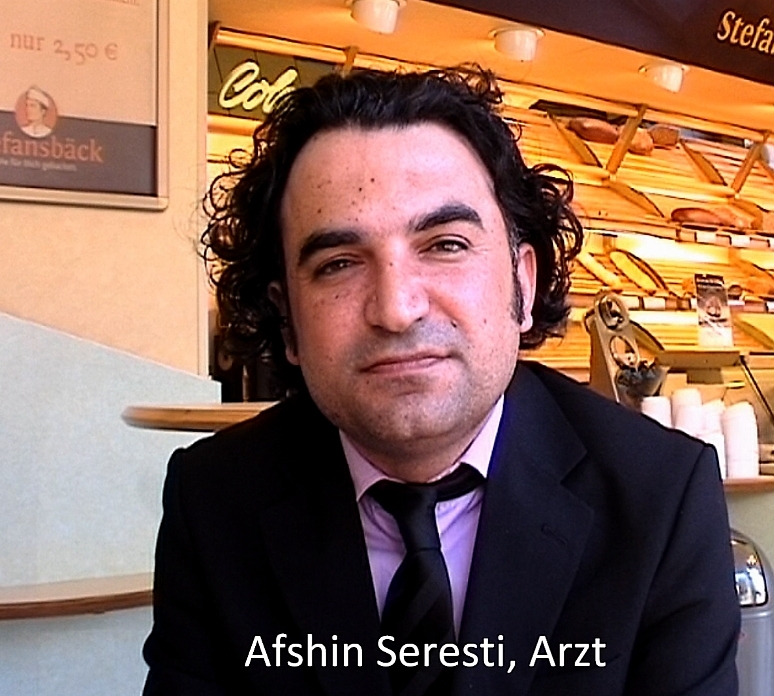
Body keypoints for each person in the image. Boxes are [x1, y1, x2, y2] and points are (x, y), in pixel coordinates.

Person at [143, 66, 739, 695]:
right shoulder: (215, 501)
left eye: (445, 245)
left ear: (523, 283)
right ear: (287, 319)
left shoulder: (660, 497)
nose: (397, 308)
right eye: (339, 264)